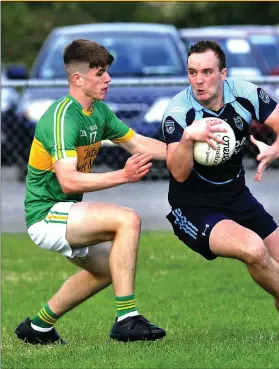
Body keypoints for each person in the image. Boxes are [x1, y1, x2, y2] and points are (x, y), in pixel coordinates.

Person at [161, 40, 279, 342]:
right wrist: (189, 138)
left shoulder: (244, 93)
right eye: (192, 72)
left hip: (237, 196)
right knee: (253, 249)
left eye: (206, 71)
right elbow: (177, 172)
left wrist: (273, 152)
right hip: (193, 206)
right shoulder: (178, 112)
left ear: (223, 73)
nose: (199, 80)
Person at [15, 39, 167, 344]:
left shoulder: (99, 113)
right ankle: (127, 319)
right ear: (77, 79)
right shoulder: (61, 118)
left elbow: (139, 143)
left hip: (67, 213)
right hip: (46, 215)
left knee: (110, 269)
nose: (108, 79)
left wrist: (186, 152)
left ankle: (38, 327)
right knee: (127, 219)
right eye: (100, 73)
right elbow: (69, 182)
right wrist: (123, 176)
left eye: (107, 72)